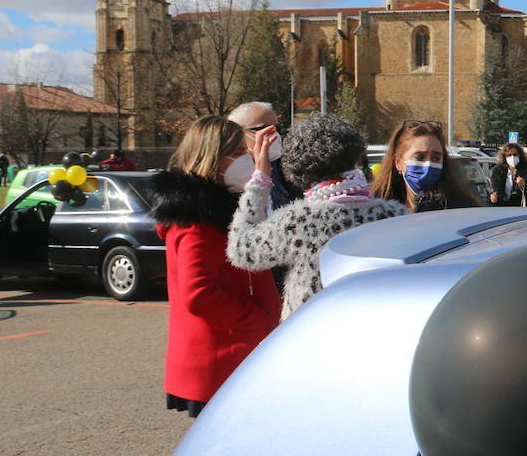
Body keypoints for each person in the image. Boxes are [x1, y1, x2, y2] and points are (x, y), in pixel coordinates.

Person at [149, 116, 280, 418]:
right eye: (237, 153)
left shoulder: (214, 212)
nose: (245, 159)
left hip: (229, 356)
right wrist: (257, 321)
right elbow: (199, 293)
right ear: (213, 158)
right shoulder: (197, 221)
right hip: (221, 357)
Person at [228, 113, 408, 319]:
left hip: (311, 334)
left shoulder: (297, 221)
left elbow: (242, 251)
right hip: (374, 330)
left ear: (297, 168)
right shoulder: (393, 216)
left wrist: (260, 178)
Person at [372, 120, 478, 212]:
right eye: (419, 157)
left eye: (436, 158)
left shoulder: (461, 208)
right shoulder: (376, 208)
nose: (428, 164)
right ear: (398, 163)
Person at [228, 101, 301, 209]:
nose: (275, 135)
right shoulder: (229, 173)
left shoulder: (286, 168)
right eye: (266, 130)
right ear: (238, 134)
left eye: (277, 129)